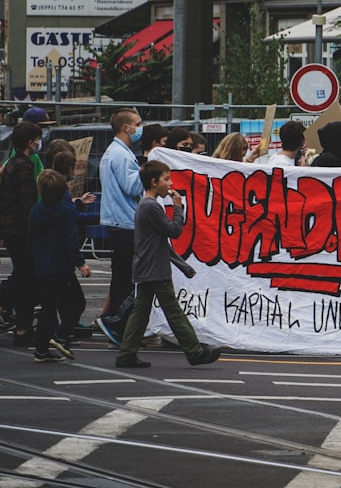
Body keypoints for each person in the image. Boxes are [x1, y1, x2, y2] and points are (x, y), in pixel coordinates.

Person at [115, 160, 220, 368]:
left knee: (141, 311)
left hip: (147, 266)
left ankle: (126, 353)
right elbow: (174, 231)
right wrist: (179, 208)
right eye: (166, 179)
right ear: (154, 182)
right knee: (172, 310)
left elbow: (162, 243)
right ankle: (195, 351)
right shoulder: (151, 207)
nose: (170, 184)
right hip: (155, 268)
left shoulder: (145, 205)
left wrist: (183, 266)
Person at [28, 169, 91, 363]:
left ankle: (41, 348)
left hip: (42, 266)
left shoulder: (35, 211)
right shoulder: (65, 213)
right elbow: (70, 240)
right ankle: (61, 335)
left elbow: (31, 238)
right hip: (62, 267)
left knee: (48, 307)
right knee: (78, 302)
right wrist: (80, 263)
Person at [0, 121, 43, 346]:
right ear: (31, 142)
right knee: (25, 275)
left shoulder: (14, 162)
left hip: (11, 228)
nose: (40, 142)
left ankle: (21, 327)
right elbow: (27, 203)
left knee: (25, 277)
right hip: (19, 230)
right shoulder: (23, 166)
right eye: (38, 138)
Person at [96, 108, 145, 345]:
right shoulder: (122, 156)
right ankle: (116, 321)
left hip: (117, 220)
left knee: (121, 276)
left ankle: (114, 319)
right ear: (127, 128)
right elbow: (133, 188)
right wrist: (146, 173)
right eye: (138, 123)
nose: (140, 127)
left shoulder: (113, 153)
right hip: (125, 221)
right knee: (128, 278)